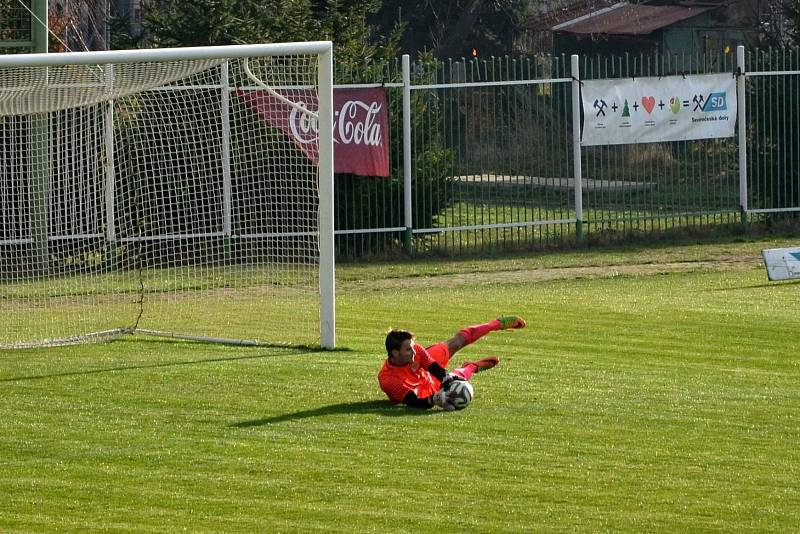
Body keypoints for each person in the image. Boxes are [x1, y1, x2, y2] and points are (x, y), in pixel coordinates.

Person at [378, 316, 526, 410]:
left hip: (426, 373)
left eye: (412, 347)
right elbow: (413, 401)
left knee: (455, 343)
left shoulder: (416, 351)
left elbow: (435, 368)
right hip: (422, 392)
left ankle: (495, 324)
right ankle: (471, 367)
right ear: (395, 353)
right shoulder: (388, 379)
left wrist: (447, 377)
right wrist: (434, 399)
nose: (414, 351)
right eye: (408, 350)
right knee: (457, 383)